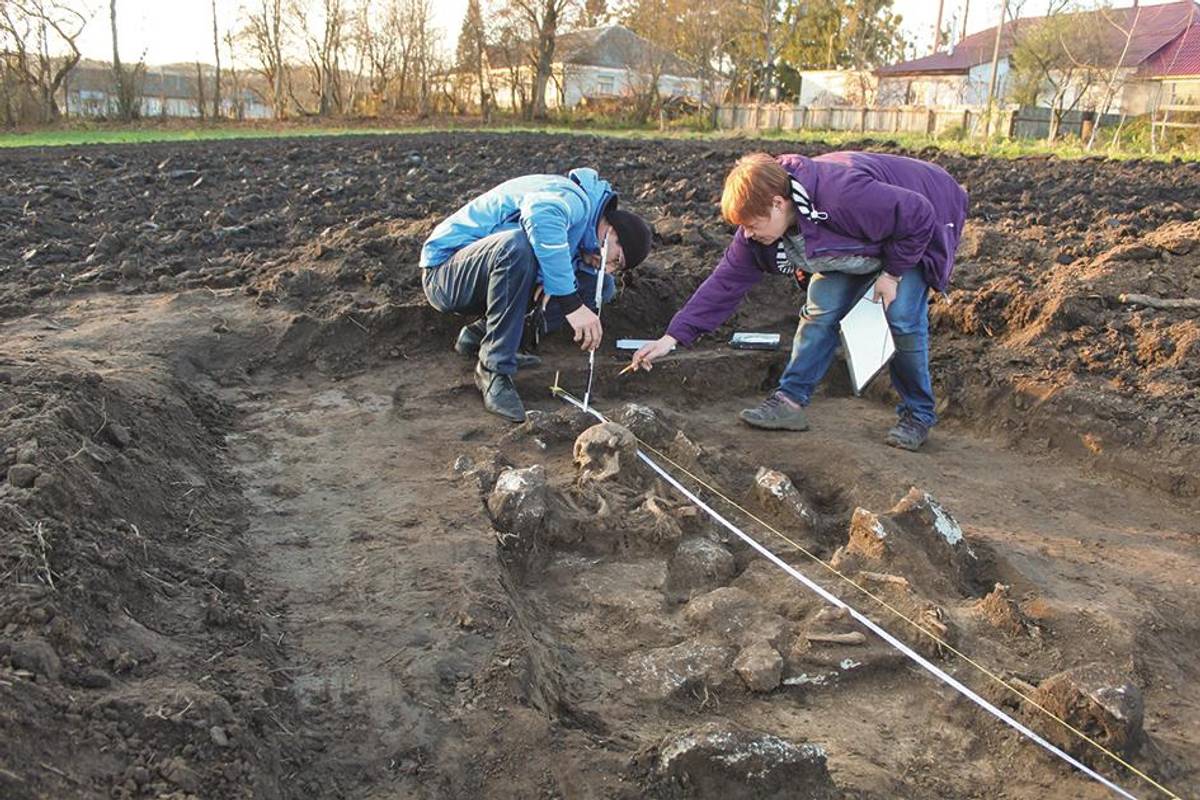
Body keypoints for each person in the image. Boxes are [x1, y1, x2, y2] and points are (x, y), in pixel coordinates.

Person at [631, 152, 968, 451]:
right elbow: (723, 284)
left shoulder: (841, 196)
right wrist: (671, 338)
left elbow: (917, 215)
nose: (747, 234)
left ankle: (918, 415)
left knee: (902, 317)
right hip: (852, 240)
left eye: (751, 225)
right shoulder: (758, 235)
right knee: (821, 310)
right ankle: (788, 402)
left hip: (922, 217)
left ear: (778, 204)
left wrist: (892, 274)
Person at [420, 168, 652, 424]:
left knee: (599, 286)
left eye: (616, 268)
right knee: (517, 247)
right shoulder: (574, 198)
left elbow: (564, 265)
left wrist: (557, 281)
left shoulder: (584, 241)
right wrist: (570, 303)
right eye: (615, 260)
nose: (607, 268)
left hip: (488, 273)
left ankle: (483, 335)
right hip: (446, 274)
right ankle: (492, 369)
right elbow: (541, 216)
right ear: (610, 232)